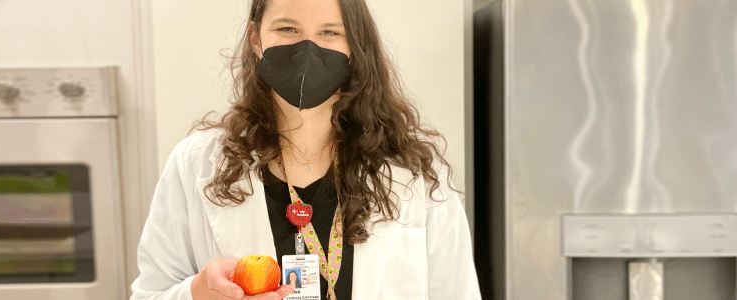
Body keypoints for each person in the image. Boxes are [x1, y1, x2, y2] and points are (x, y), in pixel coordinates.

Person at [131, 0, 481, 299]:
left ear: (354, 47)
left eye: (329, 32)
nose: (307, 49)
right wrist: (196, 292)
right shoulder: (196, 162)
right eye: (287, 29)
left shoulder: (412, 169)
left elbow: (457, 290)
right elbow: (150, 293)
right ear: (256, 39)